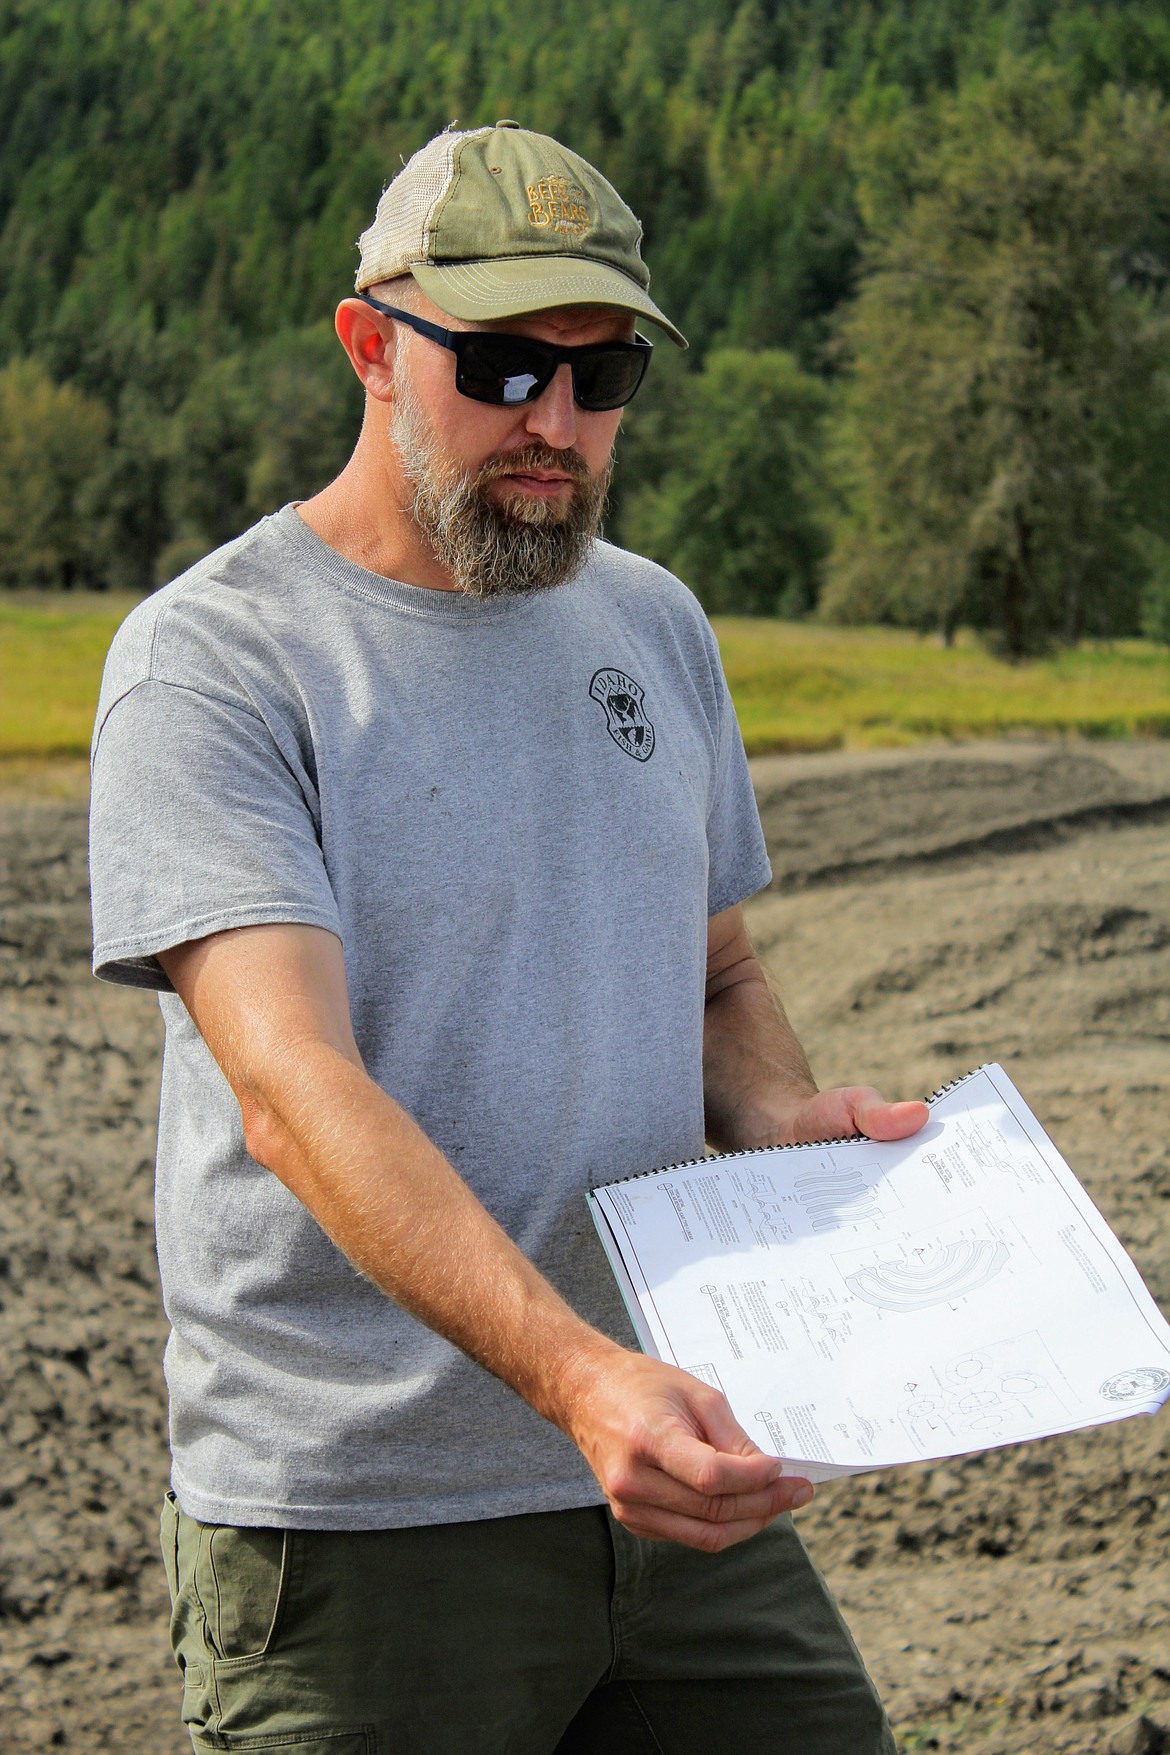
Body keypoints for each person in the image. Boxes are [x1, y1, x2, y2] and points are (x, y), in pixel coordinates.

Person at [89, 121, 927, 1753]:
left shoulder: (650, 622)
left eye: (597, 375)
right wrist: (576, 1377)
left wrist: (783, 1123)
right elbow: (291, 1087)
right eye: (497, 367)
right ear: (371, 349)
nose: (553, 424)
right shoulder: (217, 662)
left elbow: (717, 976)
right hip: (363, 1526)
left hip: (665, 1488)